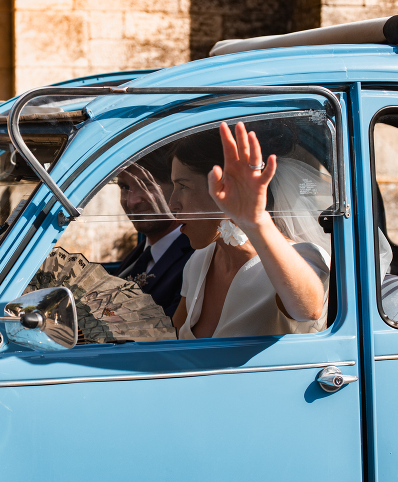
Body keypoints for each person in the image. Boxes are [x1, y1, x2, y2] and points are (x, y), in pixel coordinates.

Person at [171, 121, 330, 339]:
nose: (172, 204)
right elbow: (171, 341)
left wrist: (255, 220)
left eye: (183, 186)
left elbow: (309, 310)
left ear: (226, 187)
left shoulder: (300, 259)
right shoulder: (199, 261)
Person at [115, 149, 195, 317]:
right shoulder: (139, 255)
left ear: (177, 189)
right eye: (125, 187)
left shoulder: (195, 258)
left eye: (146, 185)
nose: (131, 202)